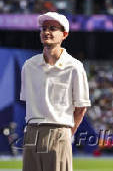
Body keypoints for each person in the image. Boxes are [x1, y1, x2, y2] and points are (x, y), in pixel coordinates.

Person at [20, 12, 91, 171]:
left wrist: (66, 134)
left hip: (59, 131)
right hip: (31, 132)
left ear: (64, 34)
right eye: (44, 28)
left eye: (52, 28)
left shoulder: (74, 66)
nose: (46, 32)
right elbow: (27, 102)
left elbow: (81, 108)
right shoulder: (29, 66)